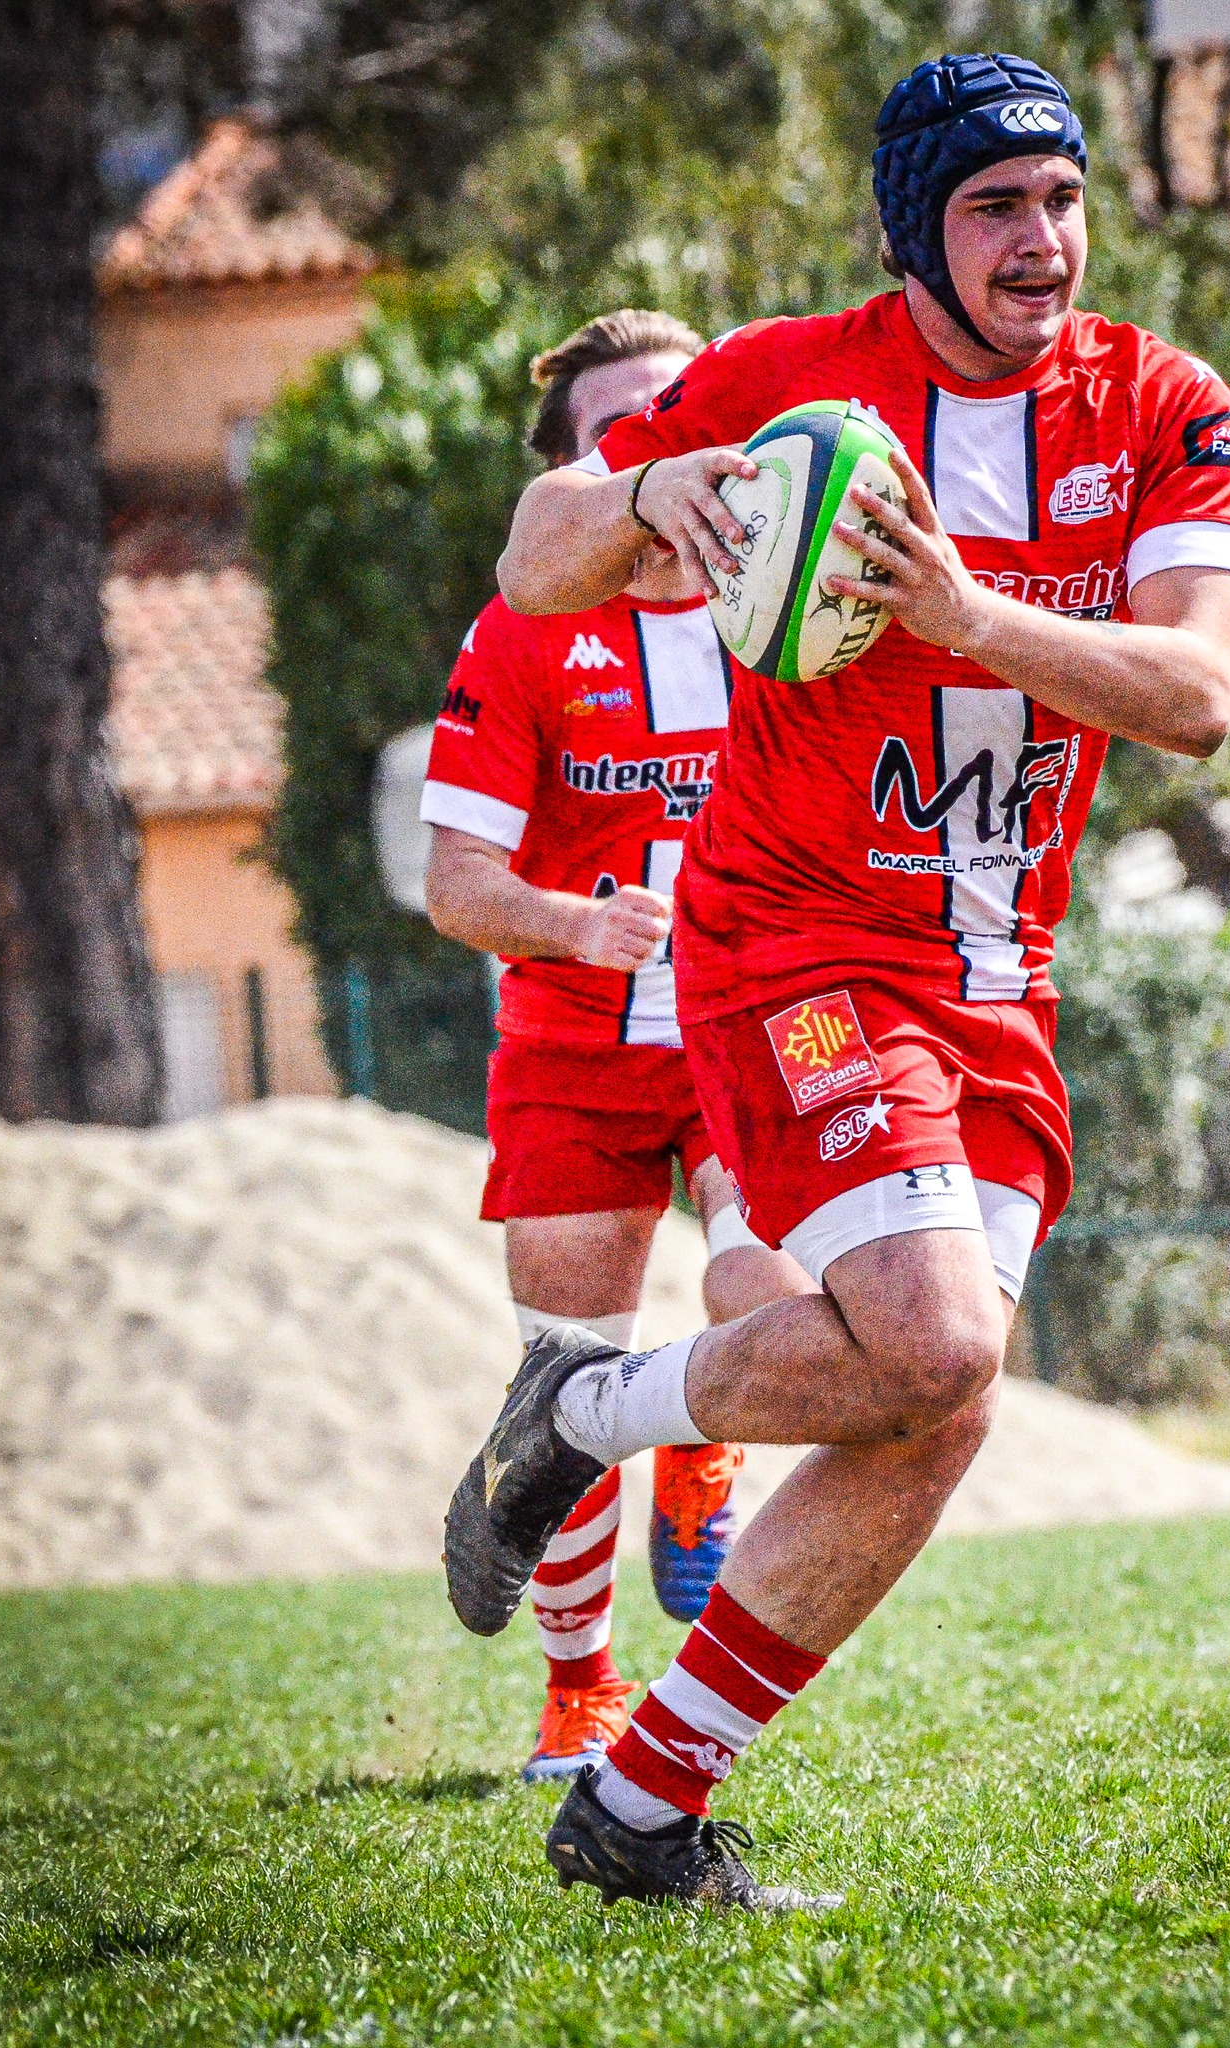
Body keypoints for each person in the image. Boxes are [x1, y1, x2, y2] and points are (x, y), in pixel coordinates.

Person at [444, 53, 1230, 1907]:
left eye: (1059, 198)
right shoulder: (782, 382)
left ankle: (637, 1804)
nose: (1041, 240)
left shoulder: (1164, 408)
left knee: (934, 1408)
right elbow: (534, 551)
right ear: (914, 227)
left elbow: (1201, 697)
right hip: (796, 938)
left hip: (999, 971)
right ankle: (585, 1429)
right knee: (941, 1344)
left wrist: (966, 614)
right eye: (993, 206)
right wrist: (674, 495)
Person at [420, 309, 813, 1784]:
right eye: (624, 432)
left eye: (686, 412)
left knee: (771, 1277)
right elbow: (459, 889)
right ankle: (580, 1690)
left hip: (754, 1017)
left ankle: (707, 1429)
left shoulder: (791, 601)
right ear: (588, 472)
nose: (673, 450)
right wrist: (575, 926)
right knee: (563, 1363)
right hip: (575, 1042)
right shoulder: (522, 630)